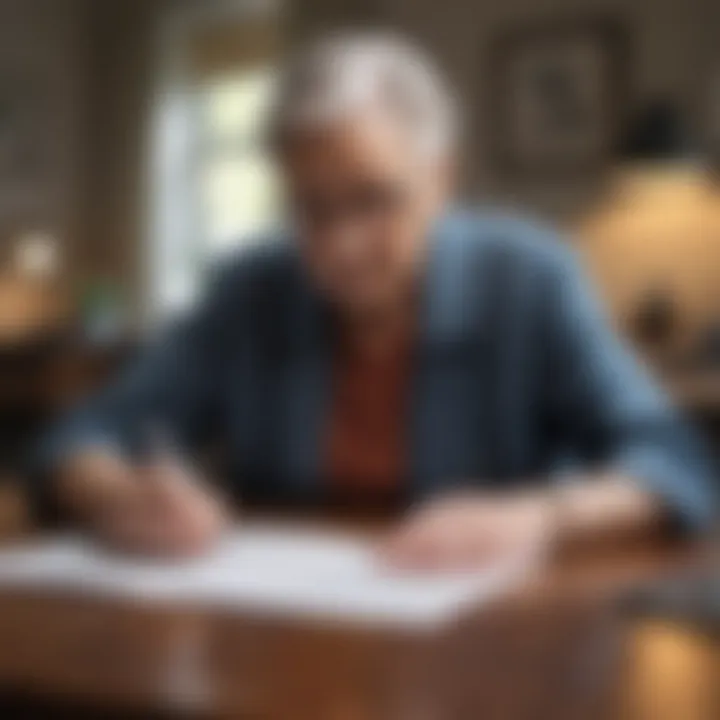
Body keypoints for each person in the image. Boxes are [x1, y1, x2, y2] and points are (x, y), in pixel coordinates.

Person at [33, 33, 716, 568]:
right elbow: (79, 438)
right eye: (311, 209)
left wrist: (538, 515)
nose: (341, 246)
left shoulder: (530, 277)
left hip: (491, 644)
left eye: (374, 200)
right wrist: (118, 498)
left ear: (441, 179)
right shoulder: (250, 288)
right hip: (290, 636)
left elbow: (674, 460)